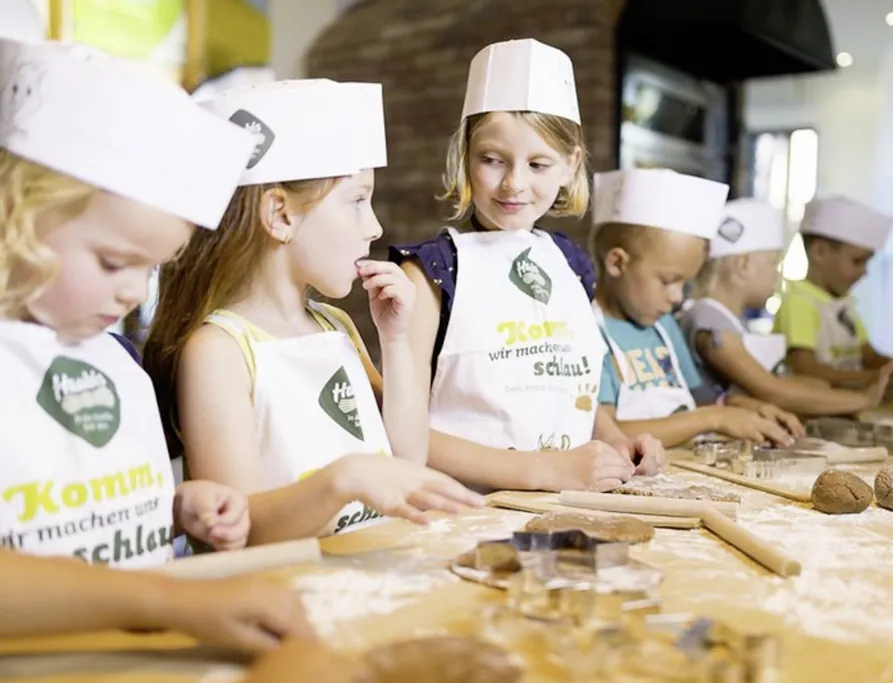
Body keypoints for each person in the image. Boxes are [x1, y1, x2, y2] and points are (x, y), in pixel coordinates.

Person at [0, 37, 311, 648]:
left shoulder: (115, 360)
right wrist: (173, 599)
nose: (128, 294)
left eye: (149, 270)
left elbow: (60, 508)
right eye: (113, 261)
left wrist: (170, 508)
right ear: (15, 213)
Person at [143, 79, 484, 544]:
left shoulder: (335, 325)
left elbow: (407, 458)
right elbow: (232, 532)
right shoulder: (218, 351)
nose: (375, 226)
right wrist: (341, 482)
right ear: (281, 215)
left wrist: (397, 342)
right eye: (358, 201)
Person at [391, 39, 657, 494]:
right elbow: (401, 436)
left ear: (570, 167)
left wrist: (616, 441)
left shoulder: (571, 265)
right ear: (465, 156)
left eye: (538, 164)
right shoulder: (431, 272)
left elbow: (563, 388)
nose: (514, 184)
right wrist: (544, 470)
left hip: (569, 503)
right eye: (492, 160)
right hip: (463, 514)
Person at [590, 169, 802, 449]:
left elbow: (697, 396)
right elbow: (607, 431)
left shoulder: (663, 325)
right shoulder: (588, 333)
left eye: (684, 284)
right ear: (617, 263)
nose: (676, 297)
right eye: (667, 281)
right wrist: (715, 418)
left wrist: (744, 407)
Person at [680, 198, 893, 416]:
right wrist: (863, 399)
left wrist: (816, 387)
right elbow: (771, 391)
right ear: (742, 265)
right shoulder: (708, 321)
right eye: (774, 264)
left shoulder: (726, 319)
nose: (777, 274)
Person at [773, 196, 893, 388]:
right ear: (819, 252)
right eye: (857, 261)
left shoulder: (841, 303)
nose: (864, 272)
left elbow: (870, 357)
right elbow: (806, 369)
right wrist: (875, 378)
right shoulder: (799, 302)